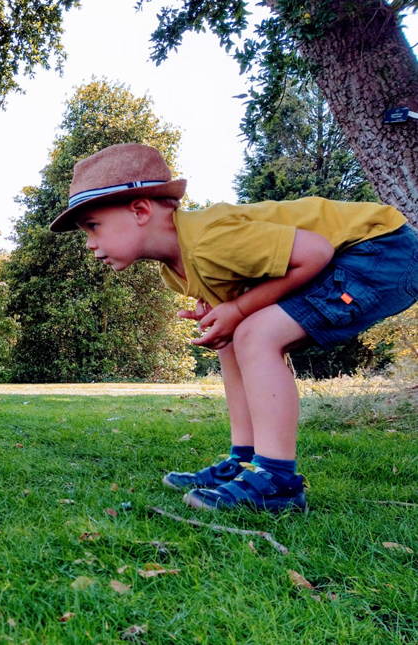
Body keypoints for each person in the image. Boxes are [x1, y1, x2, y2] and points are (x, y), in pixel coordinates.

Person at [50, 143, 418, 511]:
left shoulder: (210, 240)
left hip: (381, 250)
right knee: (232, 339)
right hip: (357, 255)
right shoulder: (174, 270)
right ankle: (244, 460)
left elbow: (315, 252)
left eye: (93, 227)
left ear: (141, 210)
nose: (89, 244)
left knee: (255, 333)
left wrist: (238, 307)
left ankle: (277, 481)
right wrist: (227, 312)